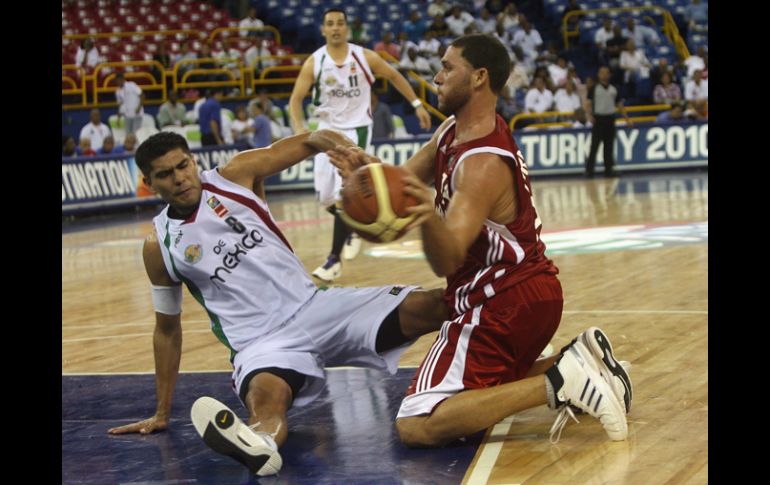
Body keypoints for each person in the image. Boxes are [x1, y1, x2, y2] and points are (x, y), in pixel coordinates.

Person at [328, 34, 632, 449]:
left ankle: (562, 380)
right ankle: (577, 359)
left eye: (448, 67)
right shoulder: (453, 131)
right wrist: (368, 179)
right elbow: (403, 183)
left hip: (499, 302)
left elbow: (447, 256)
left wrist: (422, 217)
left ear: (479, 78)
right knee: (484, 391)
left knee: (419, 421)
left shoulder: (481, 164)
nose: (437, 76)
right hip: (529, 293)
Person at [105, 130, 447, 478]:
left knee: (437, 304)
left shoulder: (235, 176)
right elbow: (167, 330)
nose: (179, 178)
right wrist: (162, 412)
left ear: (194, 161)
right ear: (148, 183)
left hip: (316, 307)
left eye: (183, 165)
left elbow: (312, 139)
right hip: (261, 344)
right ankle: (259, 445)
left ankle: (500, 352)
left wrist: (350, 154)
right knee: (267, 406)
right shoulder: (158, 246)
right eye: (165, 174)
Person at [288, 8, 432, 282]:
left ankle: (333, 260)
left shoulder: (365, 57)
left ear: (347, 28)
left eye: (340, 23)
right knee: (325, 197)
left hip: (356, 132)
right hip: (325, 131)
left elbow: (395, 75)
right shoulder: (315, 62)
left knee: (346, 192)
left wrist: (417, 105)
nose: (335, 28)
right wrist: (299, 129)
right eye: (330, 24)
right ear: (323, 29)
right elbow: (295, 100)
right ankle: (353, 224)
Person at [584, 66, 630, 178]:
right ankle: (589, 171)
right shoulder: (593, 88)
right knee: (594, 146)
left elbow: (619, 105)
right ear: (599, 75)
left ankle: (608, 170)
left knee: (609, 147)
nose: (604, 75)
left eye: (606, 73)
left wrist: (627, 119)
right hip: (598, 119)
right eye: (602, 72)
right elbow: (588, 103)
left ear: (609, 75)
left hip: (610, 119)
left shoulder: (614, 89)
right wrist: (588, 115)